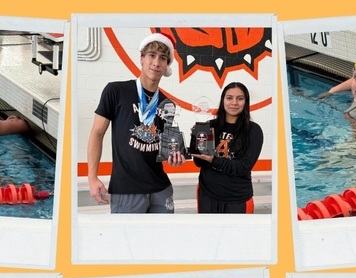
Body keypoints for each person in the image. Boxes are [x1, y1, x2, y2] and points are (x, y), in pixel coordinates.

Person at [87, 32, 185, 213]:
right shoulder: (116, 91)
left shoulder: (168, 104)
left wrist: (175, 157)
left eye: (163, 58)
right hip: (127, 190)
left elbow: (167, 149)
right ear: (142, 58)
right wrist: (92, 177)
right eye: (152, 55)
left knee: (163, 241)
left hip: (161, 189)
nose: (156, 62)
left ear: (167, 65)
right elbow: (96, 133)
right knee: (127, 241)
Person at [193, 82, 263, 214]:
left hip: (237, 199)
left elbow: (243, 167)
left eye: (240, 98)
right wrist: (195, 143)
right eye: (229, 98)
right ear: (223, 100)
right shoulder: (209, 126)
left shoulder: (253, 130)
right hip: (207, 195)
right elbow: (199, 163)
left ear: (246, 102)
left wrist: (213, 160)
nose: (234, 102)